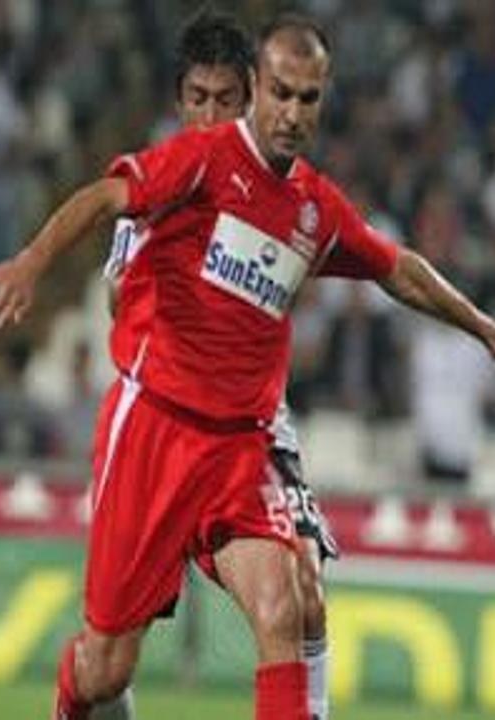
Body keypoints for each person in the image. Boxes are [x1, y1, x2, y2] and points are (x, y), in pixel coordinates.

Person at [0, 15, 495, 720]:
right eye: (280, 93)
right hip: (157, 430)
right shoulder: (203, 159)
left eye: (307, 98)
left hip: (239, 447)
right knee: (106, 669)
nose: (291, 112)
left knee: (284, 604)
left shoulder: (314, 208)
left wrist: (485, 327)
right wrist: (31, 263)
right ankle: (74, 697)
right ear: (257, 87)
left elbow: (396, 268)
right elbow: (106, 197)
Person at [95, 14, 337, 720]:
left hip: (252, 426)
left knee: (303, 589)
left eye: (224, 100)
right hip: (164, 419)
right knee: (110, 660)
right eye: (196, 99)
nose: (209, 116)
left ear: (252, 98)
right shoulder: (162, 185)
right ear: (178, 102)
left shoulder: (287, 186)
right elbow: (117, 299)